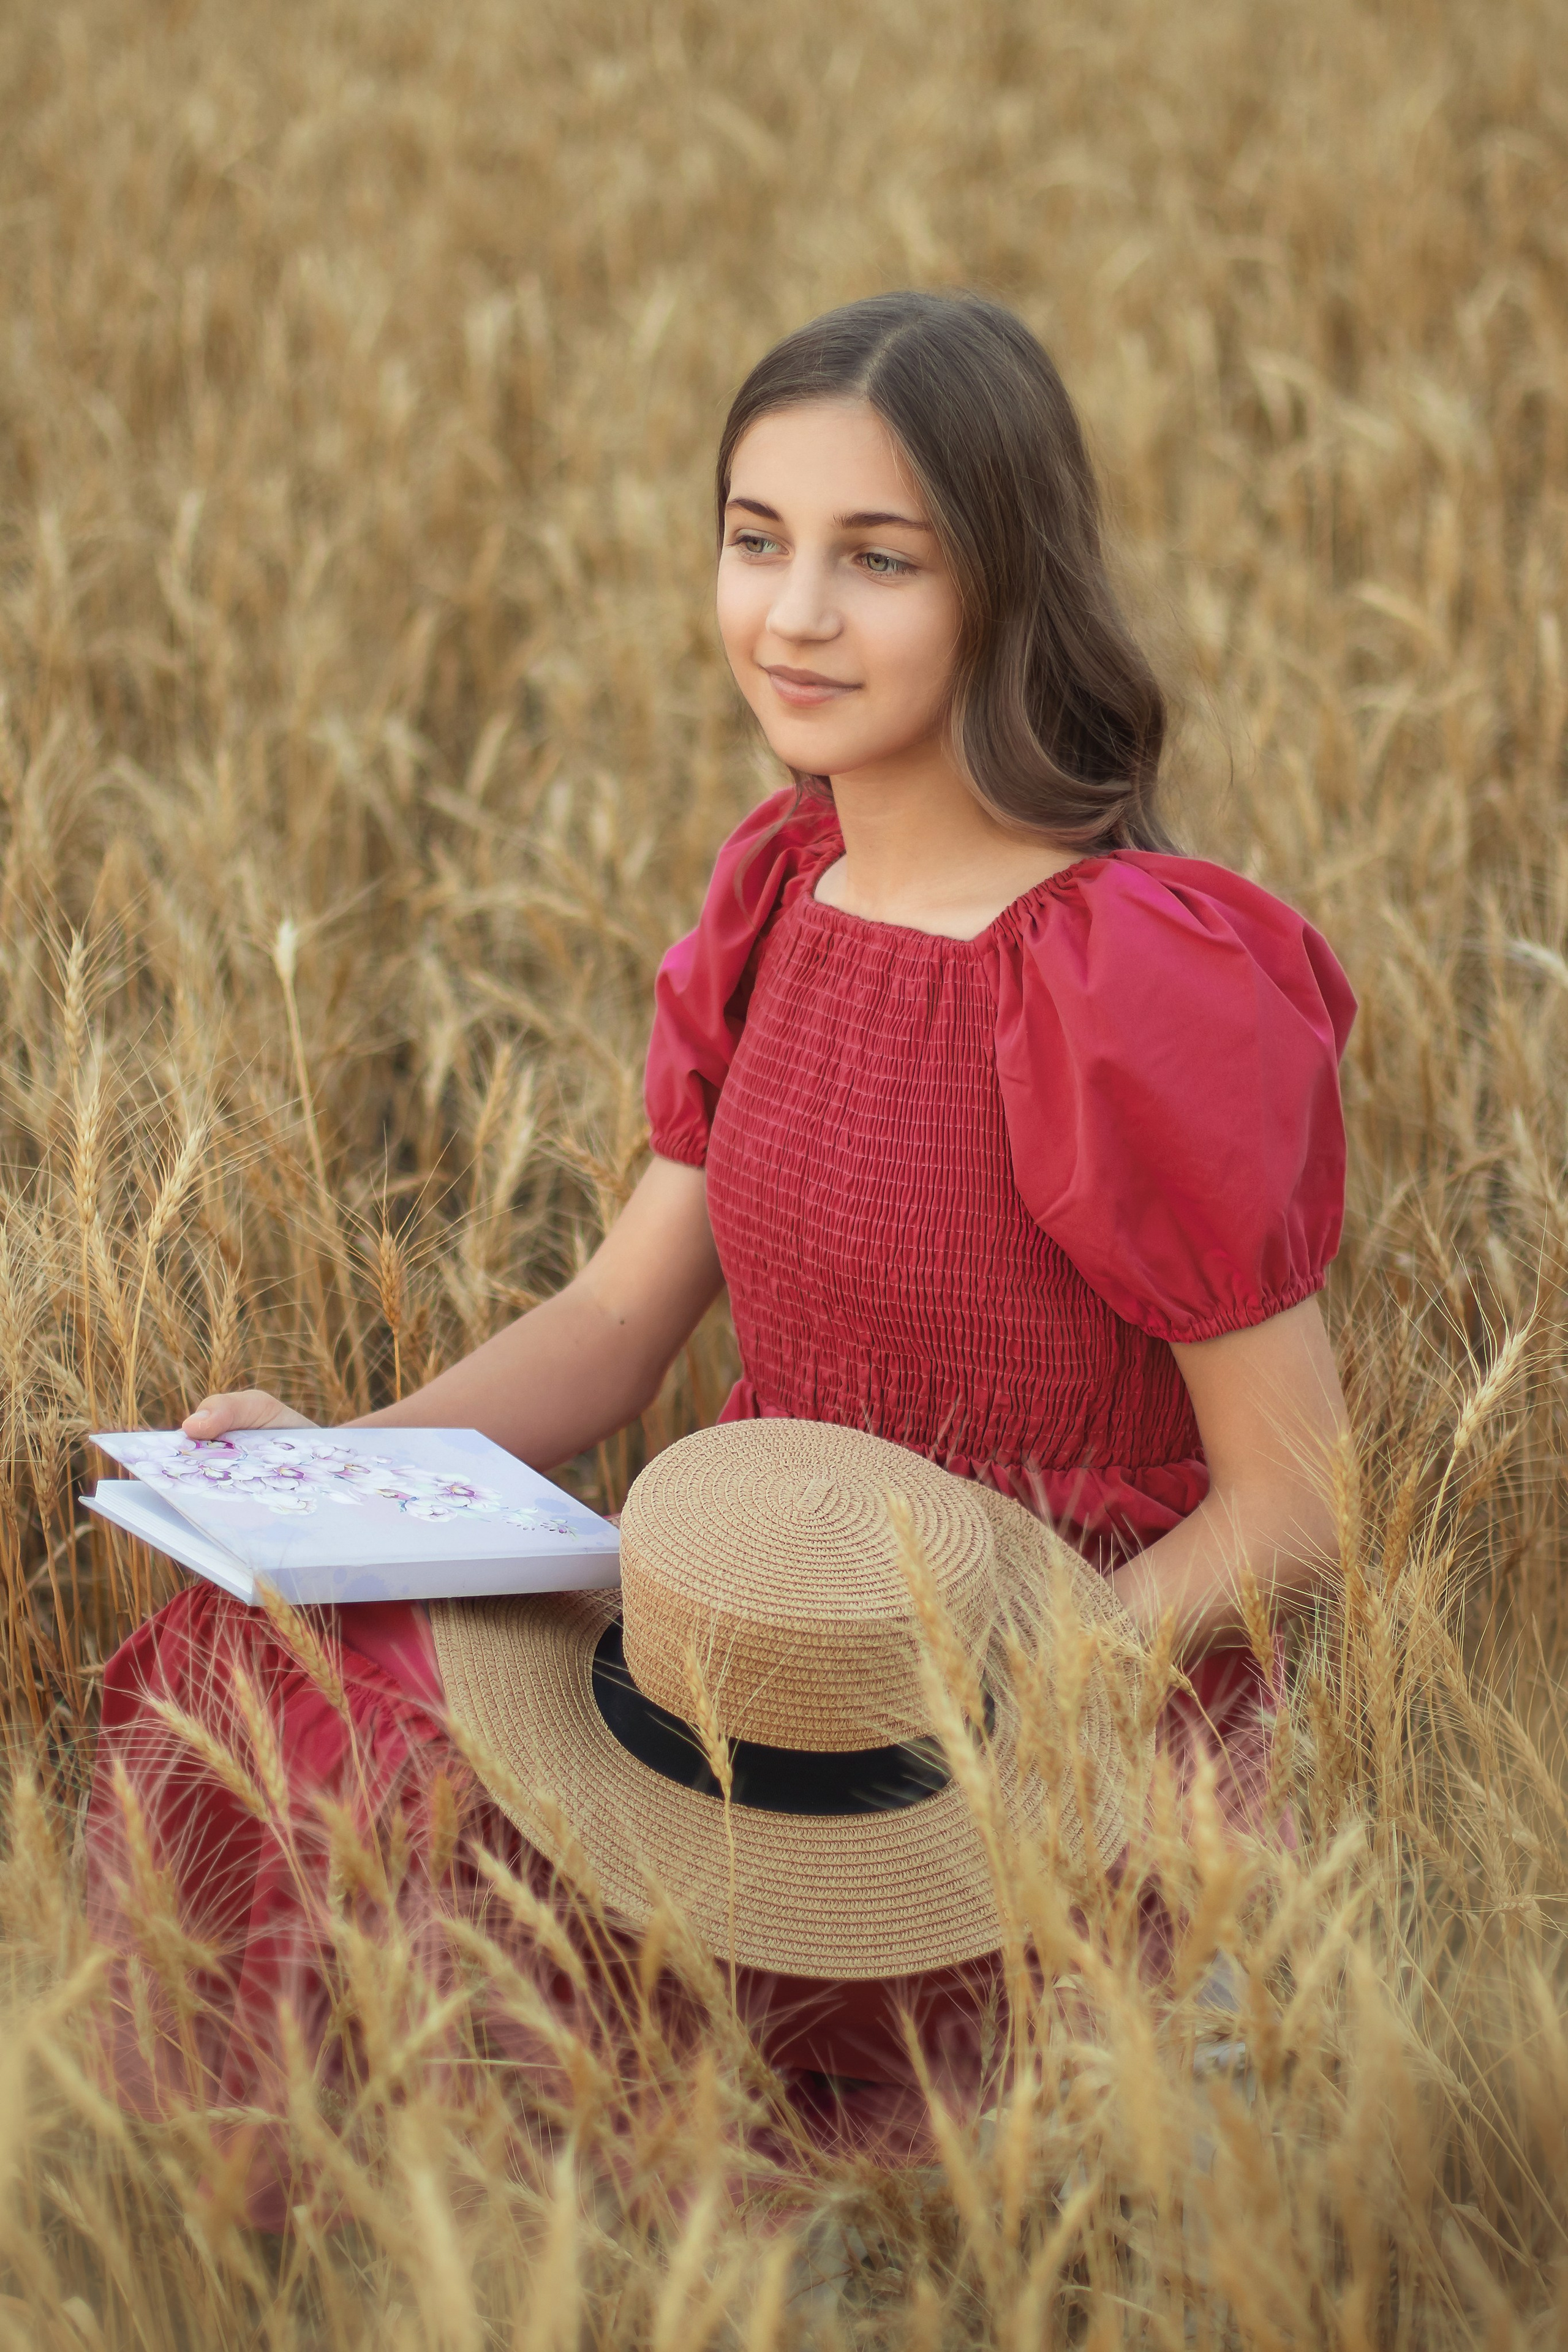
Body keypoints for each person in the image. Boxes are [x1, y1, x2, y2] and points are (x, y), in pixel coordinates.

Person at [88, 290, 1355, 2213]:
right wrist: (347, 1467)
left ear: (1006, 584)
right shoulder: (778, 894)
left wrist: (1024, 1682)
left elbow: (1296, 1503)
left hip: (1039, 1699)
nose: (794, 615)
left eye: (877, 559)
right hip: (723, 1643)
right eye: (755, 540)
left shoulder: (1133, 977)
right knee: (280, 1670)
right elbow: (613, 1320)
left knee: (645, 2072)